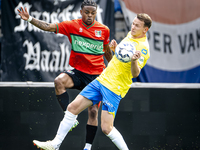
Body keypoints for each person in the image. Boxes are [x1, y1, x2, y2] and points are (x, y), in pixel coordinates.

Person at [32, 13, 152, 150]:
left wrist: (134, 61)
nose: (133, 26)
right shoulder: (131, 35)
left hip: (114, 88)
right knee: (71, 108)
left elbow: (135, 73)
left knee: (107, 128)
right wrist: (115, 49)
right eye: (133, 23)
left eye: (137, 25)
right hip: (102, 80)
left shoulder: (143, 47)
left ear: (145, 30)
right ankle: (55, 144)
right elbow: (121, 58)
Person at [17, 0, 113, 150]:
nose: (89, 15)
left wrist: (114, 69)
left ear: (96, 13)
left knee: (93, 112)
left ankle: (87, 147)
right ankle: (69, 118)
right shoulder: (72, 25)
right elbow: (48, 27)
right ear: (81, 12)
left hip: (96, 76)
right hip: (79, 72)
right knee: (59, 81)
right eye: (87, 12)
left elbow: (107, 51)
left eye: (93, 13)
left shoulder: (103, 30)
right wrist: (29, 19)